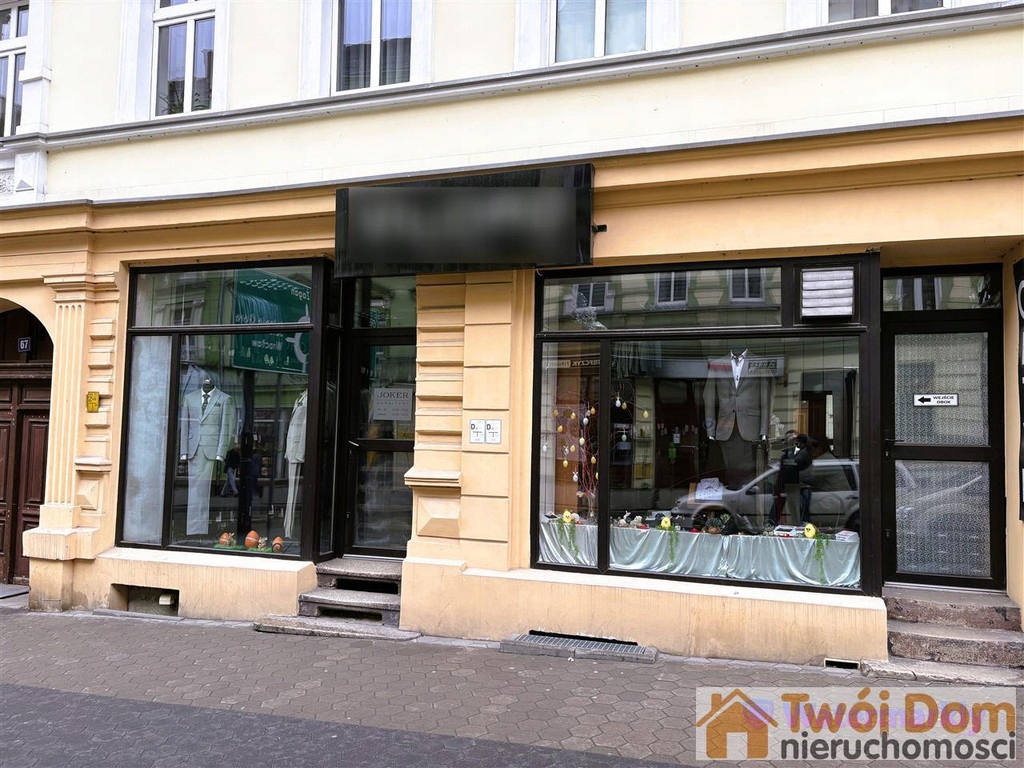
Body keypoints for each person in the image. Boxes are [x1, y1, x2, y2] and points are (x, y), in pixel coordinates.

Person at [702, 348, 771, 484]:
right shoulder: (717, 364)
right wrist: (710, 431)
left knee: (748, 473)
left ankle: (746, 492)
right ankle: (732, 491)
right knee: (729, 470)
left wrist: (764, 431)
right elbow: (709, 398)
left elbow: (765, 398)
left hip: (751, 426)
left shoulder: (759, 363)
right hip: (725, 426)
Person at [179, 378, 234, 535]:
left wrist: (220, 452)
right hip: (193, 448)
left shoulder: (224, 399)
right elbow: (184, 425)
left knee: (203, 489)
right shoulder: (189, 398)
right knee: (194, 489)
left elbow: (226, 428)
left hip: (211, 449)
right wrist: (184, 450)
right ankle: (194, 528)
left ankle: (199, 528)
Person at [284, 389, 307, 538]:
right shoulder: (301, 396)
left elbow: (306, 427)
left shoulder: (309, 397)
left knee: (293, 495)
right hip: (293, 450)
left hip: (298, 450)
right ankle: (287, 529)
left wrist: (301, 452)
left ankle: (289, 530)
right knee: (291, 493)